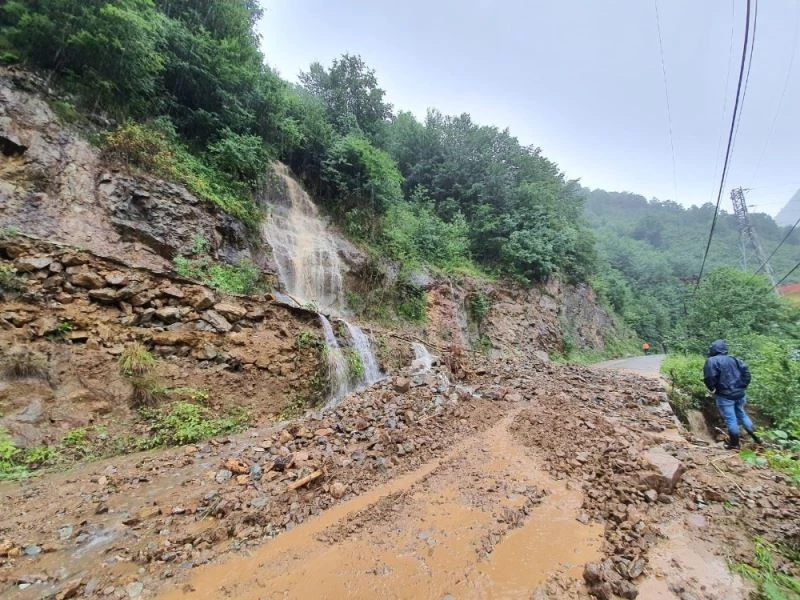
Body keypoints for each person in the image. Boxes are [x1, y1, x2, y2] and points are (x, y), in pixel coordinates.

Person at [703, 339, 761, 449]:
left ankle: (734, 444)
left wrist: (713, 389)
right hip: (740, 394)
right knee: (741, 413)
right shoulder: (735, 359)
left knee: (730, 419)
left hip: (725, 396)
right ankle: (757, 438)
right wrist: (743, 386)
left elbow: (709, 378)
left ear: (713, 349)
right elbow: (747, 374)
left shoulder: (711, 361)